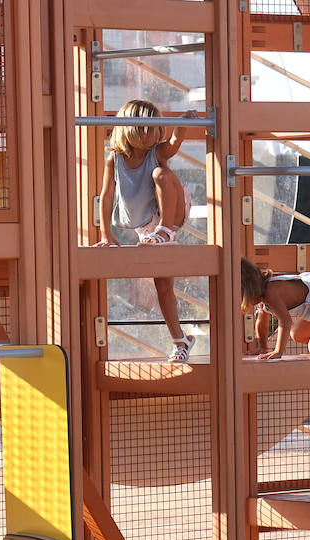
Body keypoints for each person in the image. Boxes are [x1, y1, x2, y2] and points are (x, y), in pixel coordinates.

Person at [96, 99, 196, 363]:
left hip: (170, 215)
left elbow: (174, 143)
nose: (157, 132)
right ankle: (180, 341)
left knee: (160, 174)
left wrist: (183, 123)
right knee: (163, 286)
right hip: (146, 228)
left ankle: (168, 231)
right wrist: (106, 233)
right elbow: (106, 197)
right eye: (151, 127)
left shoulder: (157, 153)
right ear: (135, 129)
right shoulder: (115, 159)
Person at [240, 258, 310, 358]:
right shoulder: (263, 292)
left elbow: (285, 321)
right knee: (298, 334)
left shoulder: (270, 292)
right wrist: (263, 348)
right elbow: (262, 321)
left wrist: (278, 351)